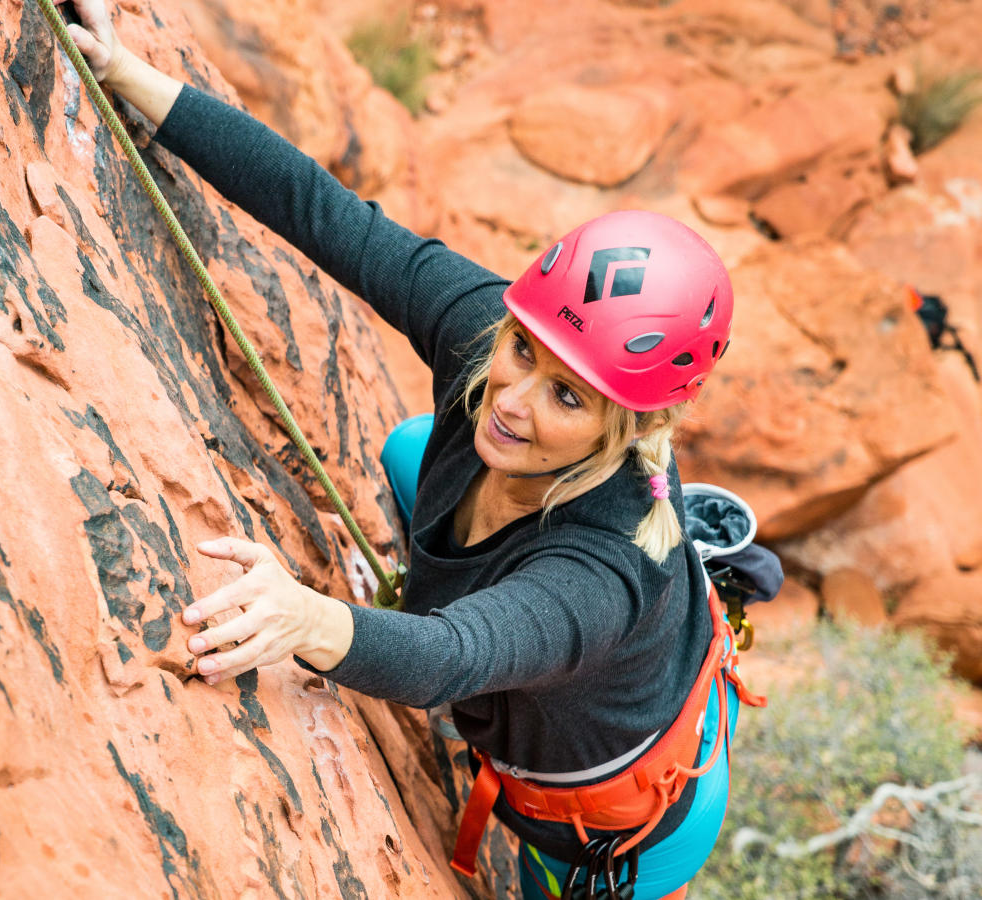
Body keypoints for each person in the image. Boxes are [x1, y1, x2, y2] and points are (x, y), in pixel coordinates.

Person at [65, 3, 750, 896]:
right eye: (522, 352)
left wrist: (306, 618)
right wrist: (131, 77)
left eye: (567, 396)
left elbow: (448, 660)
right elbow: (327, 214)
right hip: (536, 629)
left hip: (617, 829)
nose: (510, 398)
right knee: (411, 447)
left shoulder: (607, 571)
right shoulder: (493, 337)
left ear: (630, 429)